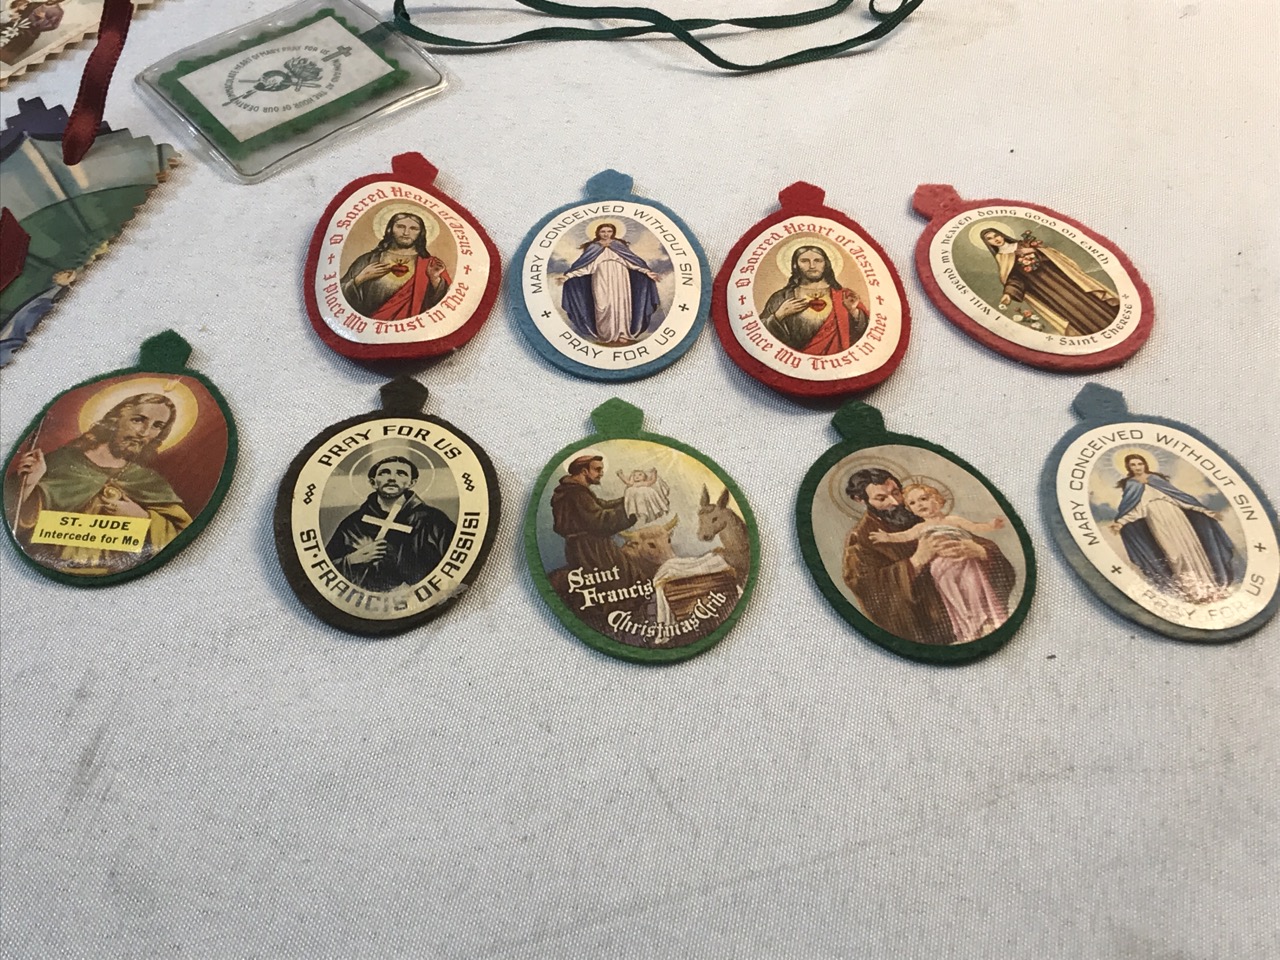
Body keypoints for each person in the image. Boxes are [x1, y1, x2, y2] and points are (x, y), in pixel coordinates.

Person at [8, 392, 192, 573]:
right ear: (115, 420)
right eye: (138, 420)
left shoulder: (148, 480)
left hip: (122, 572)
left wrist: (142, 518)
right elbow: (15, 519)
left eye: (157, 426)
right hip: (50, 566)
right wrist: (29, 484)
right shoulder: (61, 462)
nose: (144, 432)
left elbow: (181, 533)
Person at [841, 468, 1015, 645]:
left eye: (896, 493)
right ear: (861, 500)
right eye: (881, 498)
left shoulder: (920, 513)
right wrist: (916, 561)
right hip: (932, 626)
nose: (895, 502)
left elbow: (979, 542)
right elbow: (867, 587)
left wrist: (980, 551)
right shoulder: (862, 536)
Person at [1108, 453, 1236, 603]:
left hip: (1177, 518)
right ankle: (1192, 592)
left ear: (1145, 464)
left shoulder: (1156, 480)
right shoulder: (1132, 485)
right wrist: (1121, 523)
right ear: (1128, 467)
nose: (1137, 467)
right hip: (1156, 520)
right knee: (1173, 555)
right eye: (1133, 465)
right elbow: (1134, 509)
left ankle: (1210, 588)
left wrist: (1205, 511)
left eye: (1139, 464)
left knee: (1192, 549)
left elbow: (1180, 499)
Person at [325, 456, 455, 592]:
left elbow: (454, 566)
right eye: (384, 473)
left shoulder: (433, 520)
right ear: (373, 482)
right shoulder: (353, 523)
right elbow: (324, 571)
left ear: (412, 482)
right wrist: (351, 560)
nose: (392, 478)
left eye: (401, 473)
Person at [979, 226, 1119, 337]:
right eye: (990, 239)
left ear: (1002, 235)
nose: (995, 239)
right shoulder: (1002, 258)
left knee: (1084, 299)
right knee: (1069, 310)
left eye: (996, 235)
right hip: (1044, 291)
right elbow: (1014, 278)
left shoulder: (1023, 244)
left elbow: (1053, 256)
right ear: (988, 243)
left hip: (1060, 279)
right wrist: (1008, 294)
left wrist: (1033, 251)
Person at [556, 223, 661, 344]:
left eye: (609, 231)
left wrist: (647, 272)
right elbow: (585, 266)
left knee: (621, 304)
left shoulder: (619, 246)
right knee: (603, 305)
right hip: (601, 277)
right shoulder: (593, 247)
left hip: (621, 278)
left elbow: (632, 262)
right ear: (598, 233)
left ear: (613, 233)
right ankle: (605, 335)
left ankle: (622, 333)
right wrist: (568, 276)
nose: (606, 234)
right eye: (603, 231)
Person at [340, 212, 450, 321]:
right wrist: (361, 278)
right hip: (371, 324)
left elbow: (445, 304)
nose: (406, 233)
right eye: (400, 227)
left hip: (412, 326)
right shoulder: (368, 260)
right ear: (390, 229)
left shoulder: (431, 264)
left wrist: (435, 279)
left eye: (413, 228)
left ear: (421, 233)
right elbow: (340, 295)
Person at [761, 244, 868, 354]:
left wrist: (853, 311)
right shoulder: (781, 297)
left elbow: (863, 334)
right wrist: (779, 315)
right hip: (792, 357)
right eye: (804, 261)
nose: (812, 266)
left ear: (826, 264)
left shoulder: (845, 295)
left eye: (818, 261)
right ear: (795, 265)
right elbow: (761, 333)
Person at [550, 454, 644, 578]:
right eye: (598, 469)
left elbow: (601, 505)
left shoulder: (575, 491)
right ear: (584, 471)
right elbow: (600, 521)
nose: (601, 473)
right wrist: (631, 511)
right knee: (626, 577)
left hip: (585, 547)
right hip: (591, 550)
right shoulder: (576, 493)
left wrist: (629, 499)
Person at [1, 1, 64, 67]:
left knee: (8, 54)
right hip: (10, 29)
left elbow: (52, 26)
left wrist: (43, 19)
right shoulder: (35, 4)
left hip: (26, 36)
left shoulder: (58, 12)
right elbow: (17, 11)